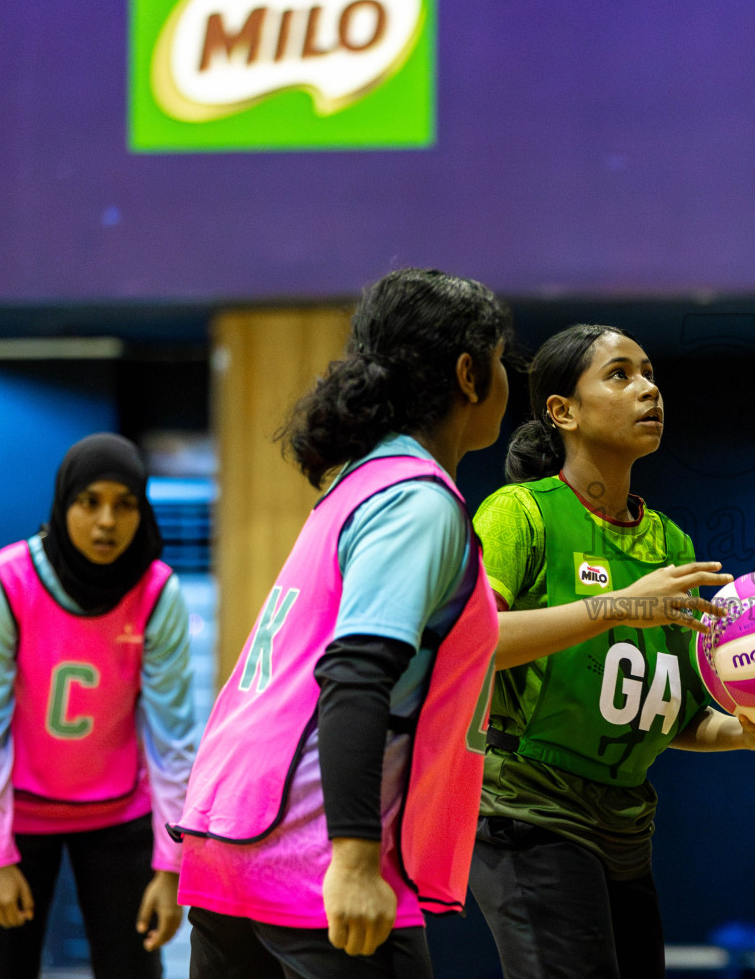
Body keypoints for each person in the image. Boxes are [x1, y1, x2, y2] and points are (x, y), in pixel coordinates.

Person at [173, 268, 511, 979]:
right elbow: (356, 674)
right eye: (502, 358)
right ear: (468, 374)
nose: (509, 377)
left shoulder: (359, 483)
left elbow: (450, 656)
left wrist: (611, 612)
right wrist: (354, 861)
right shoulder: (417, 502)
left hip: (229, 829)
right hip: (311, 849)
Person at [469, 323, 755, 979]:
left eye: (650, 373)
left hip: (625, 827)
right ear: (564, 411)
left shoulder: (672, 545)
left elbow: (680, 716)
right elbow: (472, 646)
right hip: (529, 810)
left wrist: (753, 734)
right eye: (620, 374)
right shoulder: (518, 514)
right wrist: (618, 605)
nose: (649, 389)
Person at [0, 433, 196, 979]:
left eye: (125, 505)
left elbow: (174, 743)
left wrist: (171, 869)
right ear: (63, 503)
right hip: (16, 815)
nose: (106, 522)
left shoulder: (157, 593)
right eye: (89, 501)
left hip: (119, 815)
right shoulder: (8, 581)